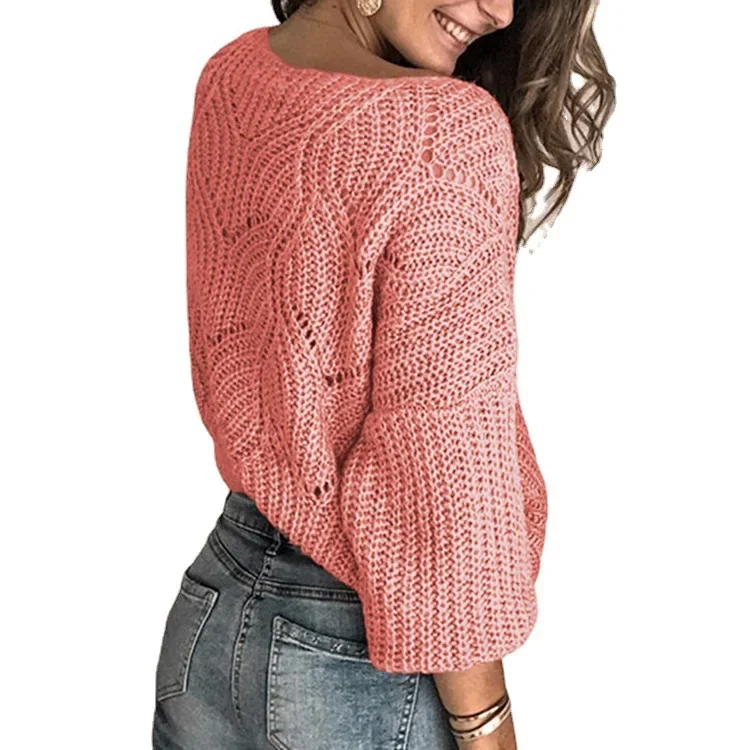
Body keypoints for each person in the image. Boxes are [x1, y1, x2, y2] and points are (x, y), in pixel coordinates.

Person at [151, 1, 615, 748]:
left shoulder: (234, 75)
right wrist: (486, 724)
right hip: (357, 657)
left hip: (211, 618)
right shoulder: (444, 131)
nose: (500, 12)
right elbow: (442, 478)